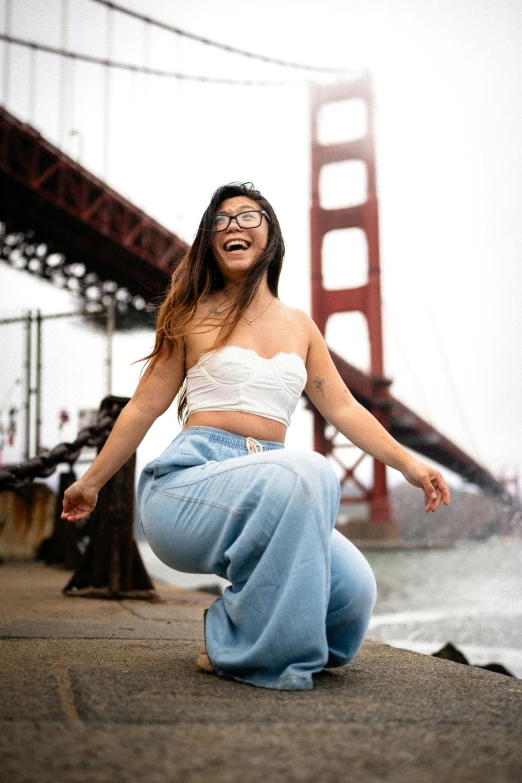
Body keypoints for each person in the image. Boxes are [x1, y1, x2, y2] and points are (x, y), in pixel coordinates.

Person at [62, 181, 450, 691]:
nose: (234, 227)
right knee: (308, 469)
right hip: (188, 487)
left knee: (352, 592)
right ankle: (251, 654)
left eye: (249, 216)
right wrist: (92, 481)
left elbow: (344, 409)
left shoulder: (300, 326)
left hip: (276, 486)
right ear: (210, 241)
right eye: (221, 221)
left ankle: (252, 629)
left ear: (271, 235)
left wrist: (409, 464)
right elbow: (142, 408)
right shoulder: (189, 315)